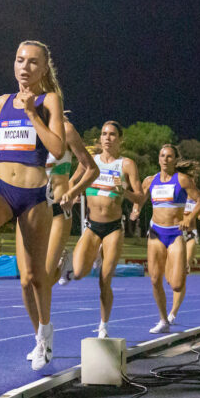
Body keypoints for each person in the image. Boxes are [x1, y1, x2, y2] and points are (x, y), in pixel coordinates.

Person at [0, 40, 66, 371]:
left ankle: (44, 334)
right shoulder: (1, 102)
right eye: (20, 60)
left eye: (33, 62)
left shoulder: (49, 100)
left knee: (35, 277)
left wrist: (31, 113)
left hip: (33, 193)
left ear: (43, 68)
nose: (24, 67)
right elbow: (8, 135)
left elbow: (56, 145)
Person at [0, 112, 98, 360]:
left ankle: (61, 263)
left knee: (42, 279)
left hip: (58, 209)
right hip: (30, 204)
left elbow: (90, 167)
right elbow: (4, 140)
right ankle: (40, 339)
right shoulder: (25, 125)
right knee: (27, 280)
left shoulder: (66, 130)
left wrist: (72, 190)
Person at [65, 121, 145, 339]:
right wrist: (69, 196)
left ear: (120, 139)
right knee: (80, 273)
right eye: (104, 134)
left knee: (105, 278)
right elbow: (72, 182)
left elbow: (140, 197)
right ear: (99, 139)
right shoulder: (90, 162)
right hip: (91, 225)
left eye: (112, 134)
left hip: (113, 228)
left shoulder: (126, 164)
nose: (107, 138)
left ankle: (103, 325)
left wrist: (125, 192)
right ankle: (69, 263)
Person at [130, 144, 200, 334]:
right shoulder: (150, 180)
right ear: (158, 159)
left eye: (170, 156)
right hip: (156, 232)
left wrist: (189, 218)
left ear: (175, 160)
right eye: (162, 156)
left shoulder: (182, 180)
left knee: (176, 284)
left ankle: (174, 284)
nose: (165, 159)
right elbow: (140, 198)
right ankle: (163, 320)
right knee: (155, 279)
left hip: (175, 234)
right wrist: (136, 209)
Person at [165, 189, 200, 322]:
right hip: (174, 235)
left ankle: (172, 313)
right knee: (170, 279)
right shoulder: (174, 191)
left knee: (181, 272)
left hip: (190, 235)